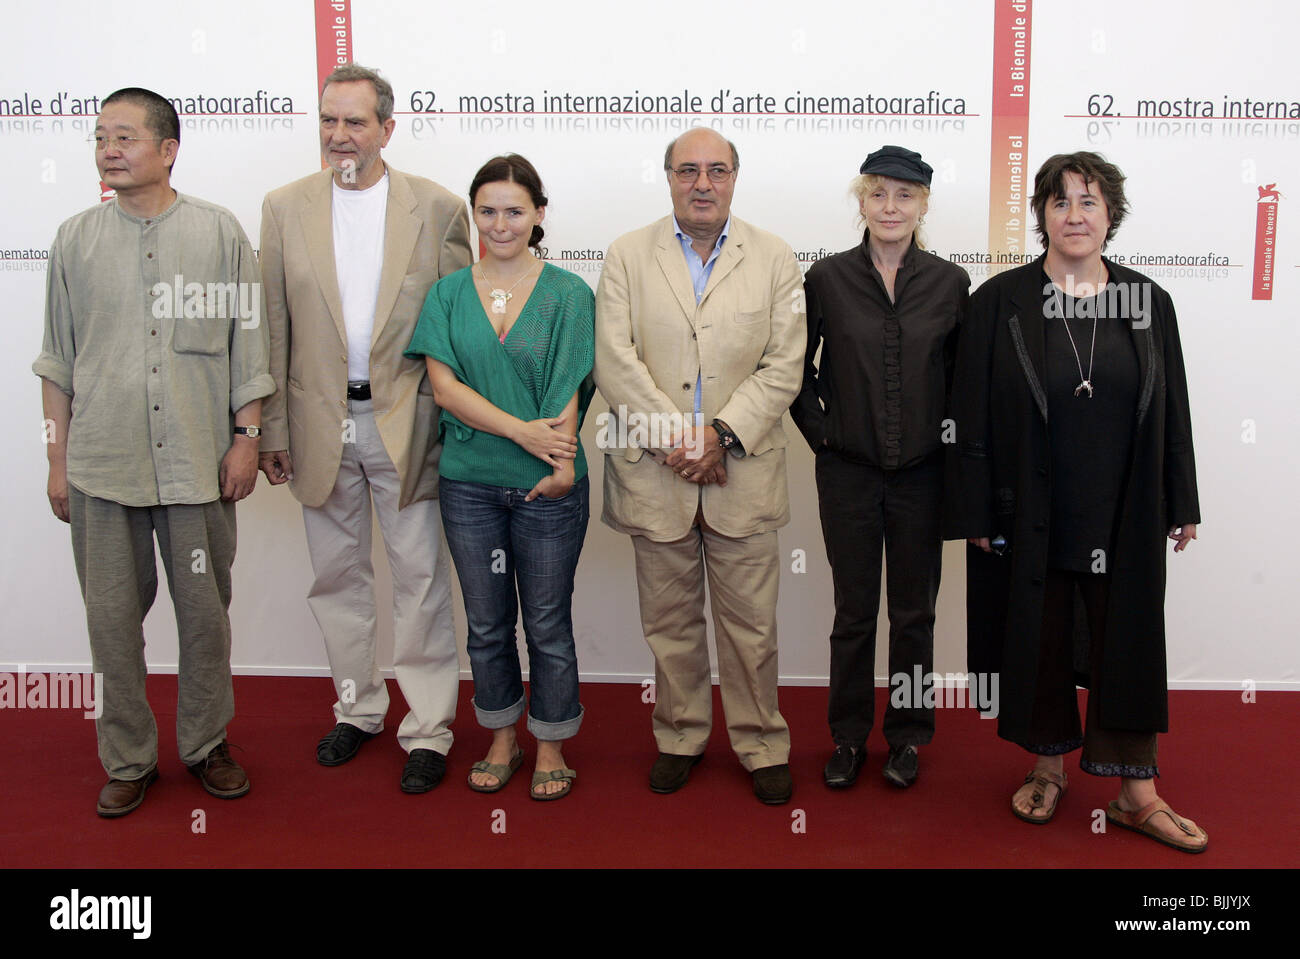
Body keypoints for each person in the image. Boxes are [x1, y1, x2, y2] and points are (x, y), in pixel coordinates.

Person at [949, 151, 1206, 852]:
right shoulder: (998, 302)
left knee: (1128, 642)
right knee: (1042, 637)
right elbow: (967, 414)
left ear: (1111, 216)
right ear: (1041, 216)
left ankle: (1136, 791)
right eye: (1060, 202)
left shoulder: (1150, 301)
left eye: (1089, 202)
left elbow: (1172, 408)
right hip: (1029, 509)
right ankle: (1046, 766)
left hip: (1124, 511)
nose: (1075, 215)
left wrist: (1181, 498)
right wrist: (974, 510)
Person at [35, 87, 273, 816]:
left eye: (125, 136)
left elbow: (250, 346)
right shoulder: (75, 238)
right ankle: (129, 755)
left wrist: (248, 438)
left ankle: (206, 743)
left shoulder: (219, 232)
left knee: (205, 614)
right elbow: (56, 361)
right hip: (102, 467)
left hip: (199, 465)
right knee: (111, 620)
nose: (109, 148)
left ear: (168, 149)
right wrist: (55, 458)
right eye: (101, 137)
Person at [258, 63, 472, 793]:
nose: (338, 134)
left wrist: (456, 427)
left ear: (387, 128)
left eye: (354, 121)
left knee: (419, 578)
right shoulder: (284, 207)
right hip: (318, 421)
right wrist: (272, 429)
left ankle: (429, 727)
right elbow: (273, 327)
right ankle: (357, 708)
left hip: (407, 420)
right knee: (337, 576)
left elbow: (456, 328)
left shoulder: (438, 209)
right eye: (328, 119)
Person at [594, 128, 805, 805]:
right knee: (670, 623)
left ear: (736, 178)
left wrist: (720, 434)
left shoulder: (774, 258)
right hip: (658, 473)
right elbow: (614, 360)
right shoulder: (628, 255)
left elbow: (785, 364)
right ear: (668, 177)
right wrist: (678, 441)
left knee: (753, 627)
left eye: (717, 170)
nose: (703, 183)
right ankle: (680, 734)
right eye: (688, 170)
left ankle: (761, 741)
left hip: (741, 470)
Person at [405, 154, 594, 800]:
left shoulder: (570, 293)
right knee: (486, 622)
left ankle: (550, 744)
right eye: (487, 210)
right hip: (469, 483)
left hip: (549, 486)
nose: (501, 223)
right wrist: (520, 432)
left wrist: (562, 462)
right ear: (473, 214)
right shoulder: (449, 292)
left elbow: (569, 386)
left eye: (515, 210)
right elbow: (443, 387)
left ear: (539, 213)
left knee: (546, 620)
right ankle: (501, 735)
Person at [791, 146, 970, 790]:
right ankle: (846, 738)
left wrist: (950, 452)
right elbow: (794, 371)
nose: (890, 207)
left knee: (915, 613)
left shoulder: (951, 283)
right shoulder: (826, 278)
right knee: (854, 611)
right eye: (877, 195)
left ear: (923, 204)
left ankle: (907, 737)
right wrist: (826, 437)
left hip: (925, 476)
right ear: (860, 201)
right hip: (849, 475)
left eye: (905, 196)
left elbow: (960, 384)